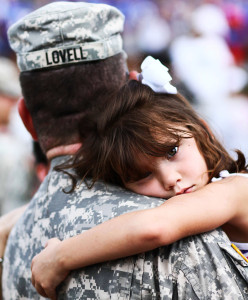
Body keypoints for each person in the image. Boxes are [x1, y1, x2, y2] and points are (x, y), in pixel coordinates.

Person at [3, 2, 248, 300]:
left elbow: (155, 226)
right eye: (142, 174)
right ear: (131, 85)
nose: (170, 179)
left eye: (171, 150)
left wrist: (59, 256)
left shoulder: (234, 190)